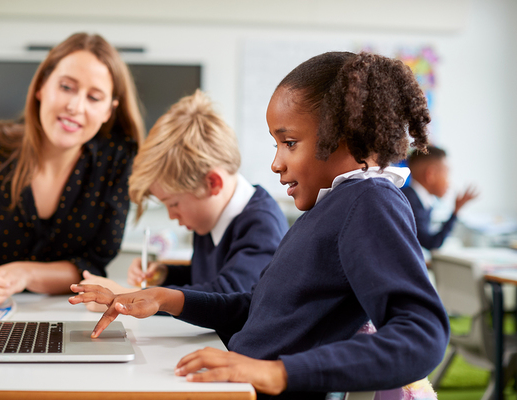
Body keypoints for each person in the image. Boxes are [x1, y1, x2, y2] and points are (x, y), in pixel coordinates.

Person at [69, 52, 450, 399]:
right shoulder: (329, 209)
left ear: (345, 137)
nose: (276, 163)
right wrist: (165, 297)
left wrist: (276, 373)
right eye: (276, 145)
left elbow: (422, 335)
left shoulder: (370, 201)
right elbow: (260, 309)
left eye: (289, 142)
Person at [0, 32, 144, 310]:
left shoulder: (117, 161)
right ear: (41, 87)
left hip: (72, 315)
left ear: (109, 110)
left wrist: (23, 273)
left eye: (94, 97)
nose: (75, 106)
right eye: (66, 87)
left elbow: (92, 264)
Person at [79, 90, 289, 308]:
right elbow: (206, 280)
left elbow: (226, 295)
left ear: (212, 184)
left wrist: (129, 295)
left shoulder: (261, 226)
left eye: (174, 203)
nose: (172, 215)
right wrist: (166, 275)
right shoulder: (210, 216)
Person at [401, 145, 478, 250]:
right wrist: (455, 212)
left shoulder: (417, 199)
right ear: (430, 175)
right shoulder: (410, 202)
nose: (449, 182)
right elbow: (431, 243)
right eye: (446, 173)